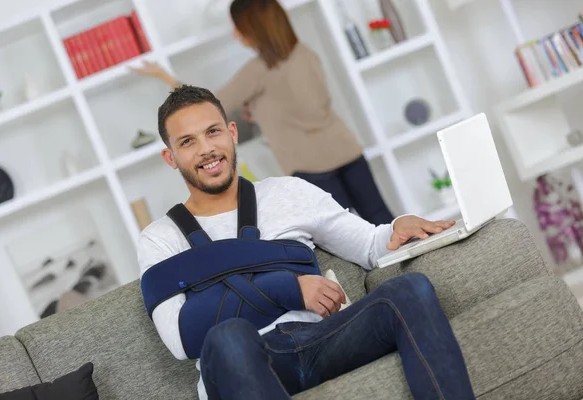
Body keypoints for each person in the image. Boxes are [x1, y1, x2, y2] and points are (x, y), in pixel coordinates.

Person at [137, 84, 476, 400]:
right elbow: (182, 339)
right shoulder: (160, 239)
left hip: (320, 341)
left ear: (232, 133)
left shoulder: (289, 192)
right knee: (229, 337)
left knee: (410, 291)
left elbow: (370, 245)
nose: (207, 148)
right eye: (188, 141)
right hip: (239, 363)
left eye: (213, 131)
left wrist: (399, 226)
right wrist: (289, 288)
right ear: (171, 158)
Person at [131, 0, 395, 225]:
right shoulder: (306, 54)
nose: (235, 34)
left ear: (255, 28)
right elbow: (311, 108)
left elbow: (206, 104)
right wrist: (263, 110)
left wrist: (164, 76)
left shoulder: (258, 71)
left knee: (343, 234)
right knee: (383, 222)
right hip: (346, 150)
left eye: (238, 27)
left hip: (310, 167)